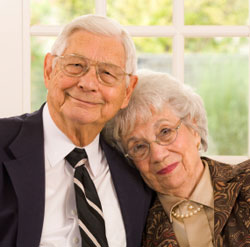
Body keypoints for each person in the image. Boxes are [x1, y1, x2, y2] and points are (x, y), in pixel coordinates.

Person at [0, 15, 153, 247]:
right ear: (49, 70)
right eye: (75, 65)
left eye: (108, 73)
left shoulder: (135, 174)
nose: (88, 83)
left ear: (128, 91)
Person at [104, 69, 250, 247]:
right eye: (139, 147)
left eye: (165, 132)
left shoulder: (246, 183)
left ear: (194, 127)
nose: (158, 155)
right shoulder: (131, 226)